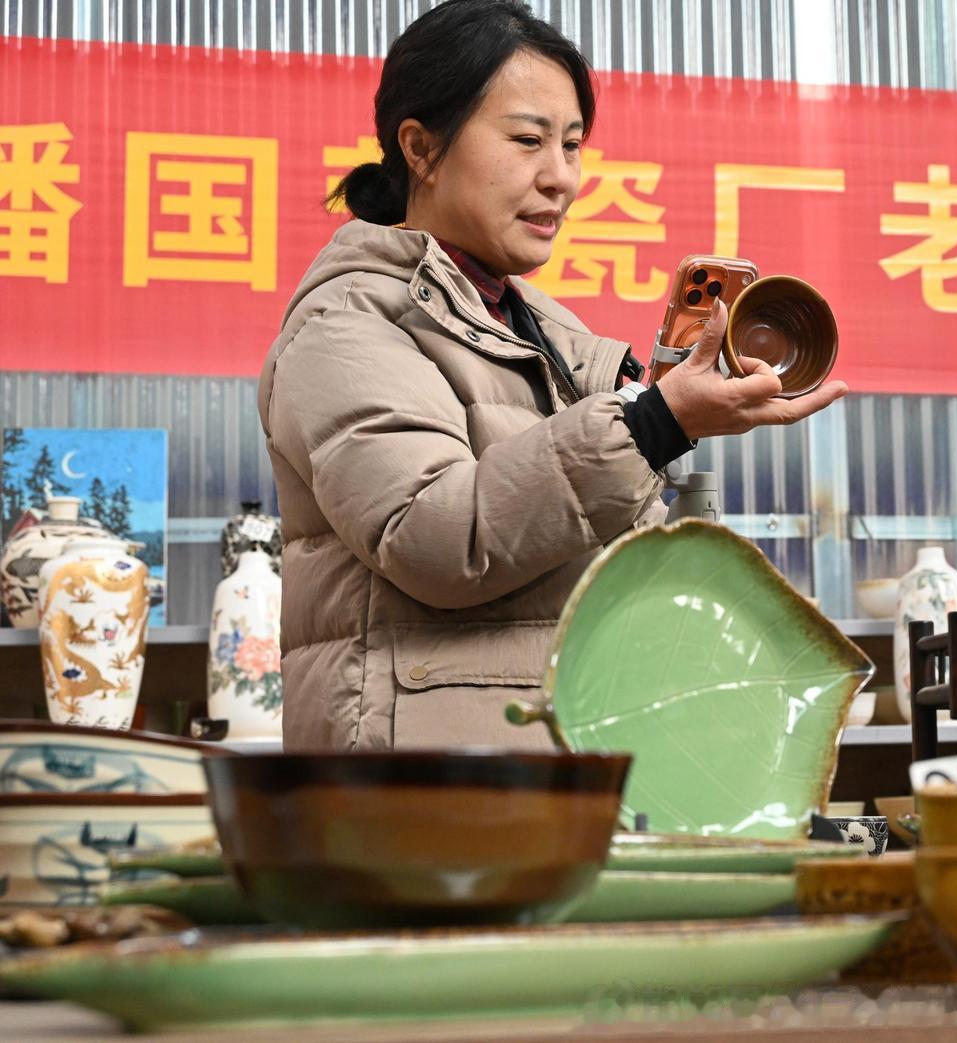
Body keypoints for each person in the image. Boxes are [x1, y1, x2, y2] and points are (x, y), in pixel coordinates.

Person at [257, 0, 847, 750]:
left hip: (545, 763)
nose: (561, 178)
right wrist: (654, 424)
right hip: (425, 785)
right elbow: (434, 537)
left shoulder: (545, 329)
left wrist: (665, 417)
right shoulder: (345, 321)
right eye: (528, 140)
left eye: (571, 145)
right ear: (421, 148)